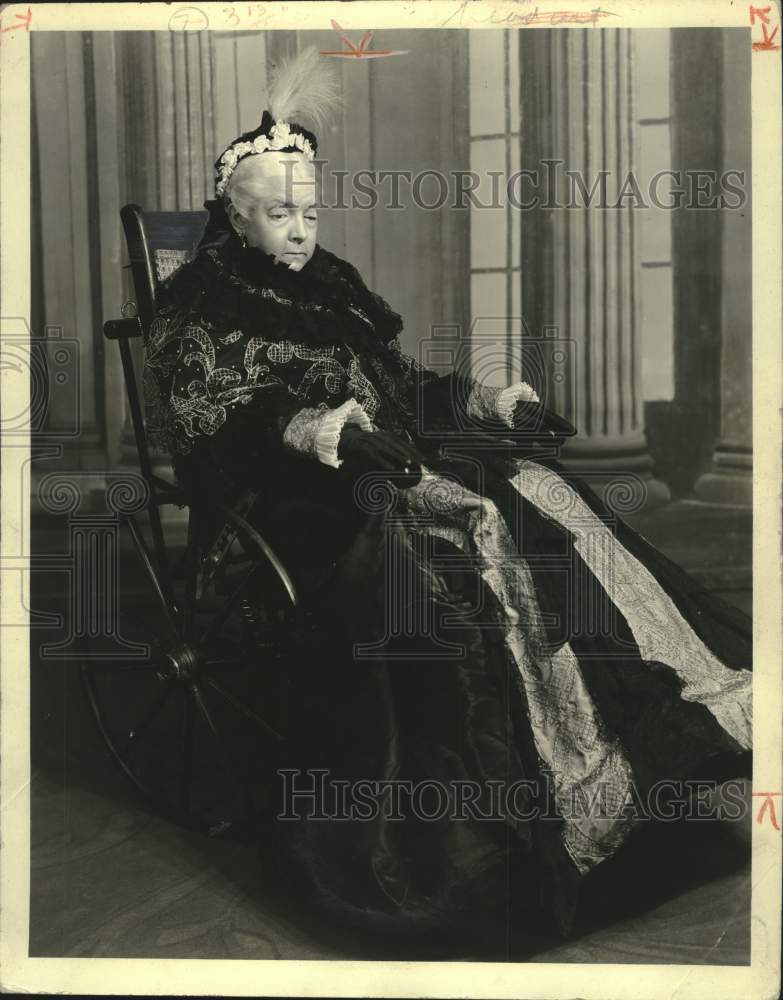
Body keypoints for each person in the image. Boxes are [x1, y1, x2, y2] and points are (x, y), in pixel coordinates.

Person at [144, 47, 752, 945]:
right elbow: (211, 425)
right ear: (235, 220)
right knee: (448, 543)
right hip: (284, 491)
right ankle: (485, 817)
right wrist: (305, 428)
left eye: (309, 212)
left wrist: (476, 397)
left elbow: (400, 384)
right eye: (280, 215)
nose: (301, 231)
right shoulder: (203, 305)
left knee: (538, 490)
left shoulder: (333, 289)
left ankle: (606, 778)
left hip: (374, 457)